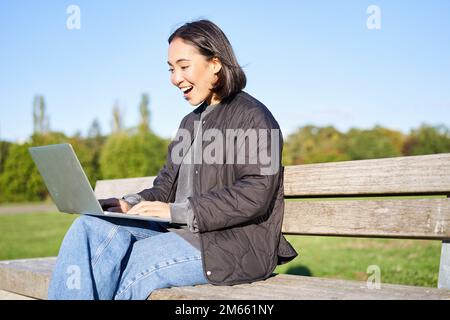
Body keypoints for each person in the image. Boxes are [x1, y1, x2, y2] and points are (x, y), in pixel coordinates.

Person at [48, 19, 297, 300]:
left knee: (136, 263)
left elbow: (256, 192)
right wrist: (128, 204)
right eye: (171, 69)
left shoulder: (253, 117)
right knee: (89, 227)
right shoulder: (189, 124)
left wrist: (177, 212)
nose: (175, 78)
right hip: (179, 233)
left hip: (232, 243)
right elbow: (164, 187)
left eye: (183, 66)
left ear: (215, 63)